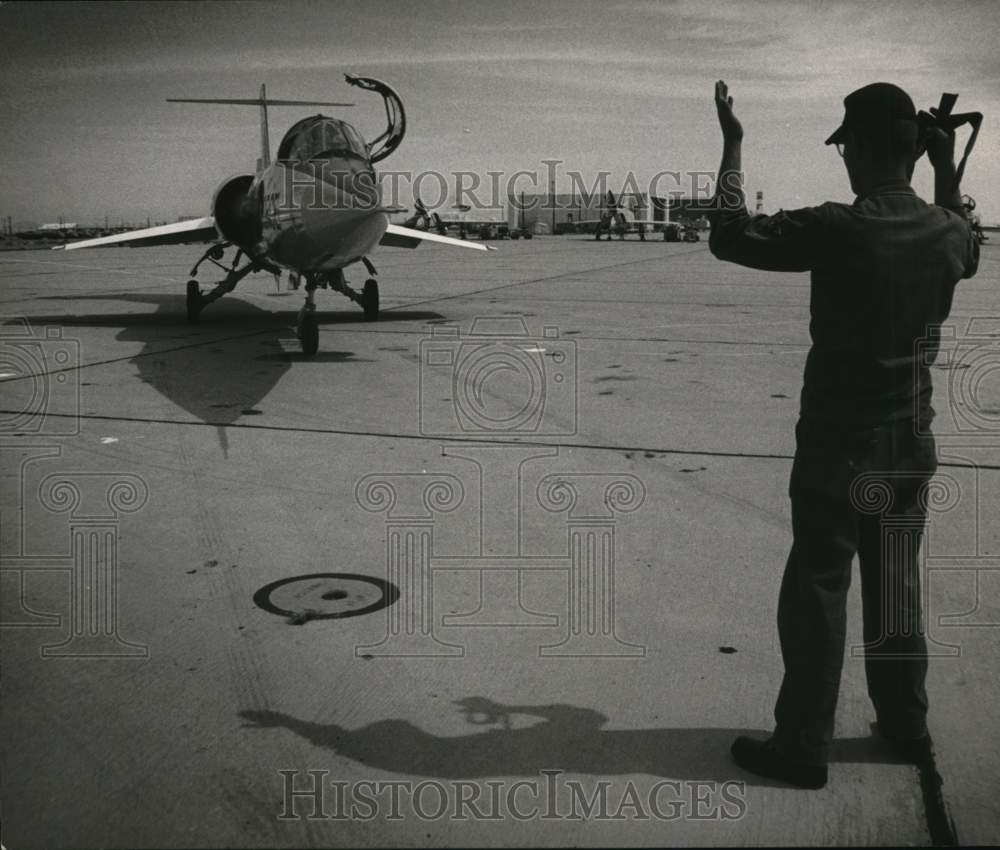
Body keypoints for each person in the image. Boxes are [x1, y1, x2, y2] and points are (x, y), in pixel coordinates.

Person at [708, 80, 979, 789]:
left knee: (819, 589)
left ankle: (802, 744)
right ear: (915, 150)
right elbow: (963, 228)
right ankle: (905, 723)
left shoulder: (836, 226)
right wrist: (944, 164)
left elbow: (730, 237)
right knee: (895, 590)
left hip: (836, 446)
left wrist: (734, 145)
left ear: (856, 148)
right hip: (907, 447)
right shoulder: (949, 235)